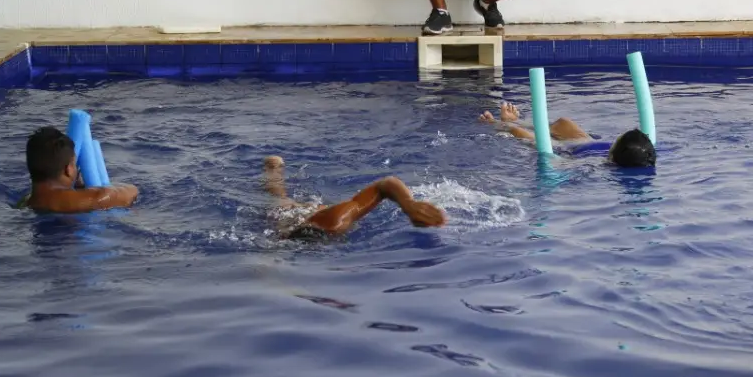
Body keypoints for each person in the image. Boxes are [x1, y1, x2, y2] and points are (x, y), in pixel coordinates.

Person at [262, 156, 446, 239]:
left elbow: (386, 184)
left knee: (282, 201)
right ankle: (273, 169)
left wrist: (409, 204)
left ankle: (272, 168)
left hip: (298, 216)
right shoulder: (331, 226)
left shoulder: (334, 221)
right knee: (281, 201)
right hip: (292, 225)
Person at [479, 102, 656, 168]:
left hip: (568, 149)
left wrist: (555, 159)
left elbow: (568, 165)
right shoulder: (639, 150)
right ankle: (518, 120)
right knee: (564, 122)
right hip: (585, 141)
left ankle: (501, 124)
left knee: (521, 134)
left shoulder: (603, 163)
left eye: (618, 138)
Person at [21, 126, 139, 214]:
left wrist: (79, 187)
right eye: (74, 164)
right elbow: (132, 192)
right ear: (68, 170)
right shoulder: (94, 198)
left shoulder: (25, 202)